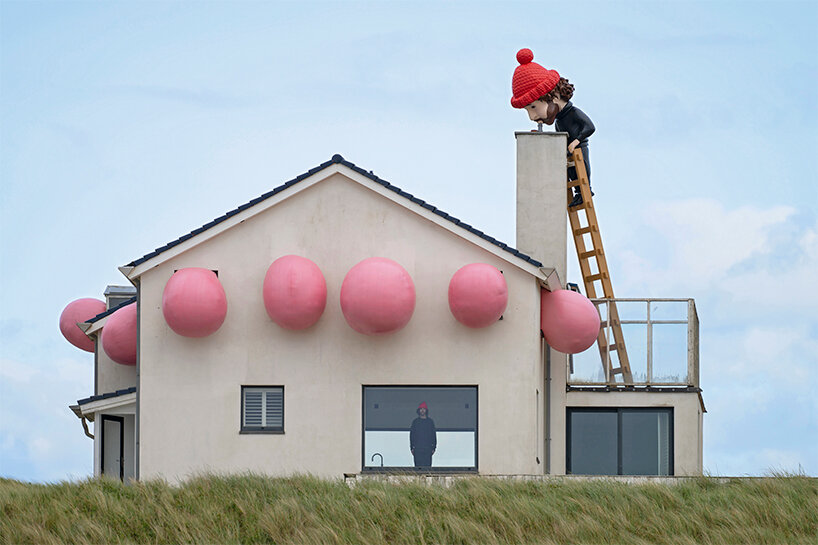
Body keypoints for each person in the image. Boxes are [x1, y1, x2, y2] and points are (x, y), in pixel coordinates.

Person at [510, 48, 596, 207]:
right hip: (568, 151)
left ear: (554, 96)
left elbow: (590, 127)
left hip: (578, 148)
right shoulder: (559, 120)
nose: (532, 117)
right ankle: (578, 193)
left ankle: (584, 192)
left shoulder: (574, 113)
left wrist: (576, 141)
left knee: (581, 169)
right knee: (571, 172)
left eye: (534, 107)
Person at [409, 402, 436, 467]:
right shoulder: (415, 422)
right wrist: (412, 447)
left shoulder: (430, 422)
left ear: (426, 410)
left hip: (428, 448)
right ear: (418, 410)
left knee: (427, 467)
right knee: (418, 467)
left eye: (424, 409)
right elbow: (412, 435)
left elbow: (433, 435)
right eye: (421, 409)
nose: (422, 410)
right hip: (418, 448)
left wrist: (434, 447)